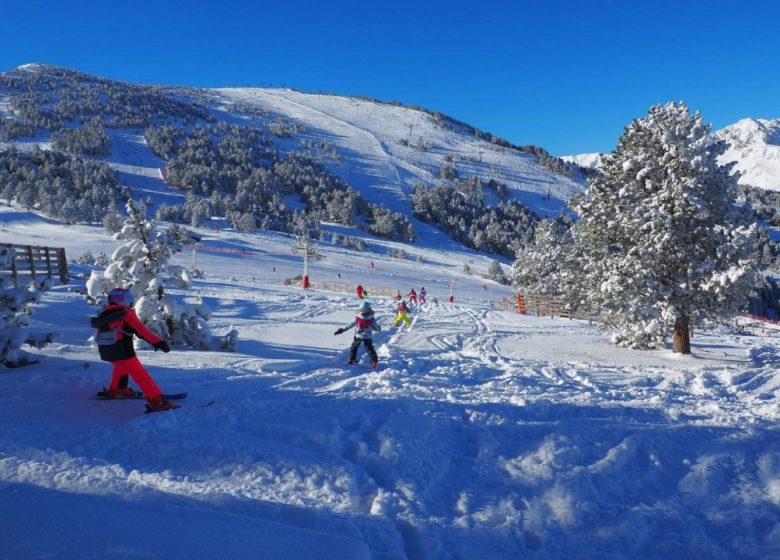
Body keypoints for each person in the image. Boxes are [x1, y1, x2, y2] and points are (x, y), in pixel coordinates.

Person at [91, 288, 178, 413]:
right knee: (141, 375)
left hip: (107, 351)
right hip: (123, 350)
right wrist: (159, 343)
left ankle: (118, 389)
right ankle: (156, 401)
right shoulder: (125, 313)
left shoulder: (105, 314)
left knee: (120, 367)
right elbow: (141, 331)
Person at [334, 301, 382, 367]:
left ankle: (351, 359)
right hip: (368, 336)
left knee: (354, 347)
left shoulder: (358, 317)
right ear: (369, 309)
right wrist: (379, 328)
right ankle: (374, 361)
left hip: (358, 335)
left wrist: (342, 329)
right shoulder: (372, 318)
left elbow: (350, 324)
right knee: (370, 349)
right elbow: (376, 327)